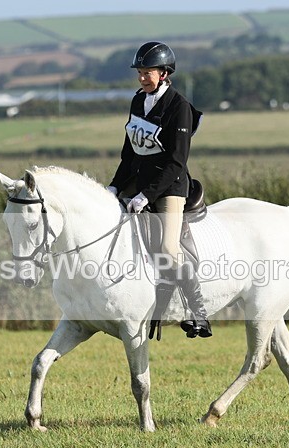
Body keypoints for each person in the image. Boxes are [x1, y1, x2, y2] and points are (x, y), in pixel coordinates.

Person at [106, 41, 211, 338]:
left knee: (167, 248)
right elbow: (130, 153)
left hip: (170, 187)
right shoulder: (138, 101)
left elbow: (176, 162)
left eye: (147, 73)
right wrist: (114, 186)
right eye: (139, 73)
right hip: (138, 183)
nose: (141, 78)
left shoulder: (180, 108)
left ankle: (199, 312)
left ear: (164, 73)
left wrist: (146, 195)